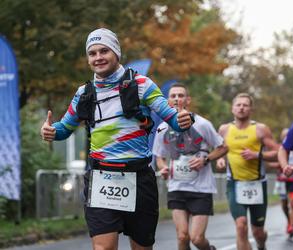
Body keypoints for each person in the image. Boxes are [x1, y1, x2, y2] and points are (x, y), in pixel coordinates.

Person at [40, 28, 193, 250]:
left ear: (116, 53)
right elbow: (64, 128)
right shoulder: (84, 93)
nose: (98, 57)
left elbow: (173, 119)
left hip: (139, 178)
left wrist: (182, 120)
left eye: (104, 51)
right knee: (103, 248)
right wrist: (51, 131)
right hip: (102, 178)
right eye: (92, 53)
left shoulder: (142, 85)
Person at [152, 83, 228, 250]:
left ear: (188, 99)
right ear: (168, 101)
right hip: (177, 186)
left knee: (197, 238)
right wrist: (163, 167)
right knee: (182, 236)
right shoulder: (162, 128)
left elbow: (223, 147)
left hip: (201, 189)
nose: (177, 98)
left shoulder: (202, 124)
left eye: (181, 95)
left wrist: (206, 159)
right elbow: (159, 157)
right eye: (173, 96)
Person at [216, 93, 279, 250]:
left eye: (245, 105)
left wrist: (257, 155)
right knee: (241, 226)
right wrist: (220, 160)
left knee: (258, 231)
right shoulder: (224, 129)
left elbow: (278, 152)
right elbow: (218, 151)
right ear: (232, 109)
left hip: (257, 184)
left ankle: (261, 244)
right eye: (238, 105)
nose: (241, 108)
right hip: (235, 184)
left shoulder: (260, 129)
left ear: (251, 109)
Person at [273, 128, 293, 237]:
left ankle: (291, 226)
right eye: (284, 135)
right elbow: (271, 164)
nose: (286, 137)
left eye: (287, 135)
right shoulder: (279, 148)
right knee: (284, 205)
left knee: (292, 202)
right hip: (282, 180)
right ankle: (288, 221)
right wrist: (282, 166)